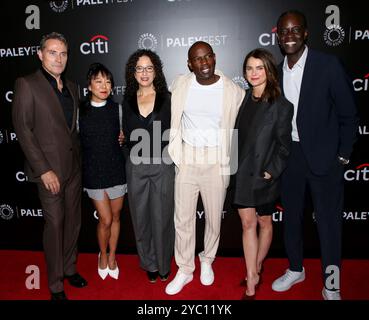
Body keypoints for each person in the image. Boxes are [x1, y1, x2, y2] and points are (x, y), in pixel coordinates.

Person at [271, 10, 358, 300]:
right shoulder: (274, 71)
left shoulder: (328, 65)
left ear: (306, 33)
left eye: (296, 30)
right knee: (292, 218)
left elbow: (348, 113)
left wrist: (343, 156)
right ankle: (296, 269)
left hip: (324, 158)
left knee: (330, 224)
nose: (290, 36)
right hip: (290, 157)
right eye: (284, 31)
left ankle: (331, 283)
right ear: (278, 36)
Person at [165, 41, 245, 295]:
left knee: (213, 218)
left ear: (214, 57)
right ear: (190, 64)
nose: (204, 63)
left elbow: (236, 130)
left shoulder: (233, 91)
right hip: (187, 157)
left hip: (216, 159)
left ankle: (207, 259)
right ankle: (185, 269)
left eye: (207, 56)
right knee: (183, 219)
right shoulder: (180, 84)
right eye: (198, 59)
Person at [12, 32, 87, 300]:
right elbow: (23, 130)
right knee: (55, 226)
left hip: (74, 168)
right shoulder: (27, 84)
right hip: (49, 173)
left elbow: (71, 131)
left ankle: (69, 268)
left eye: (63, 53)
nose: (58, 58)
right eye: (53, 52)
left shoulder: (73, 87)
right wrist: (43, 169)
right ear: (40, 54)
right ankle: (56, 284)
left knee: (74, 223)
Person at [230, 48, 293, 299]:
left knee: (265, 221)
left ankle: (256, 265)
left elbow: (285, 146)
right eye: (249, 68)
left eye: (259, 67)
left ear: (269, 70)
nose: (253, 73)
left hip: (264, 175)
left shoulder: (281, 105)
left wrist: (271, 171)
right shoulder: (243, 98)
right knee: (247, 224)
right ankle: (252, 278)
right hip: (242, 173)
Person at [122, 49, 174, 283]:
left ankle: (164, 265)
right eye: (140, 68)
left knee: (162, 218)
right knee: (140, 218)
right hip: (136, 166)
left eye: (149, 68)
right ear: (133, 73)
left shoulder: (168, 98)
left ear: (156, 71)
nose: (144, 72)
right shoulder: (127, 100)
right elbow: (126, 134)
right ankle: (149, 264)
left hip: (163, 164)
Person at [79, 63, 127, 280]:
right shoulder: (80, 112)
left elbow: (124, 137)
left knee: (116, 217)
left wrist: (124, 137)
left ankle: (113, 255)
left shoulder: (117, 109)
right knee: (105, 219)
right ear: (89, 85)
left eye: (107, 81)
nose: (104, 85)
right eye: (98, 81)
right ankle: (102, 254)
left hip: (116, 169)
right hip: (93, 173)